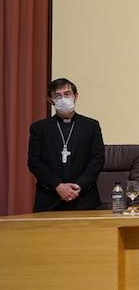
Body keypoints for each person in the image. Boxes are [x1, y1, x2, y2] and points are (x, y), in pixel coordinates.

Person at [28, 78, 105, 212]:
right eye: (58, 96)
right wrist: (58, 186)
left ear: (76, 96)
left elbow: (97, 159)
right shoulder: (40, 128)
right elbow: (34, 162)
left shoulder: (91, 126)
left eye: (67, 94)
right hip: (49, 199)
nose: (63, 99)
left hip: (85, 199)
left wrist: (79, 186)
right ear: (50, 100)